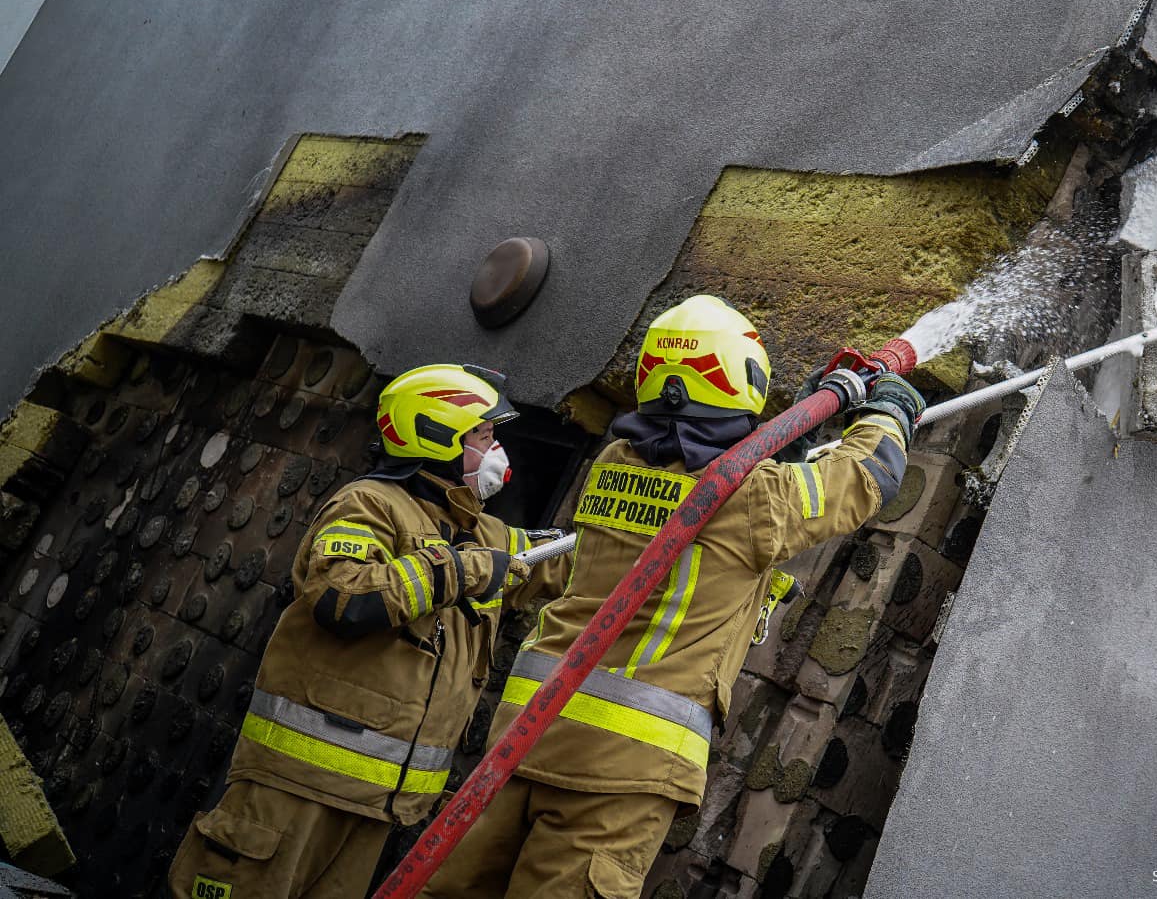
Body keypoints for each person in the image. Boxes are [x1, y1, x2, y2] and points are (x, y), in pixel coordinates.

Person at [420, 295, 925, 899]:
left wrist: (799, 428)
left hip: (526, 733)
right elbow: (862, 479)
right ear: (741, 379)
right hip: (623, 770)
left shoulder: (613, 461)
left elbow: (719, 487)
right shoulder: (753, 498)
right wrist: (889, 411)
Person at [170, 364, 568, 899]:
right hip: (298, 784)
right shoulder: (371, 504)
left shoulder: (481, 530)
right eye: (483, 435)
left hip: (380, 806)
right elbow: (342, 596)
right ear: (438, 436)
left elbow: (556, 562)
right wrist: (457, 569)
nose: (496, 450)